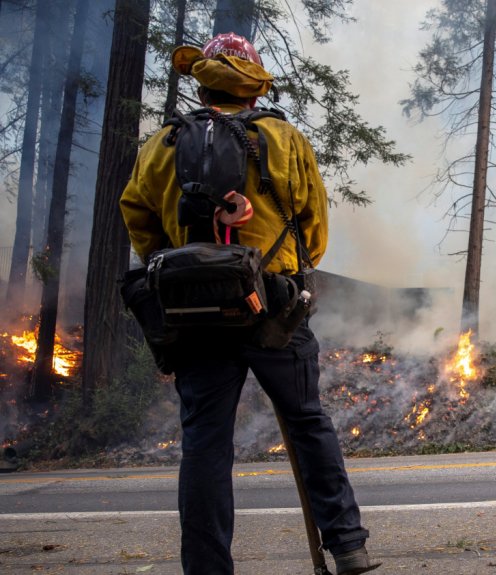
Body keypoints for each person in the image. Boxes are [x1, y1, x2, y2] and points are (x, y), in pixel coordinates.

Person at [120, 33, 379, 575]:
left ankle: (208, 569)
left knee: (206, 444)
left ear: (205, 83)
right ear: (254, 89)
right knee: (307, 420)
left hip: (194, 318)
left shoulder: (161, 144)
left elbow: (138, 221)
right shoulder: (284, 139)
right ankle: (348, 545)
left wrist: (184, 264)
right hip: (273, 310)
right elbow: (315, 230)